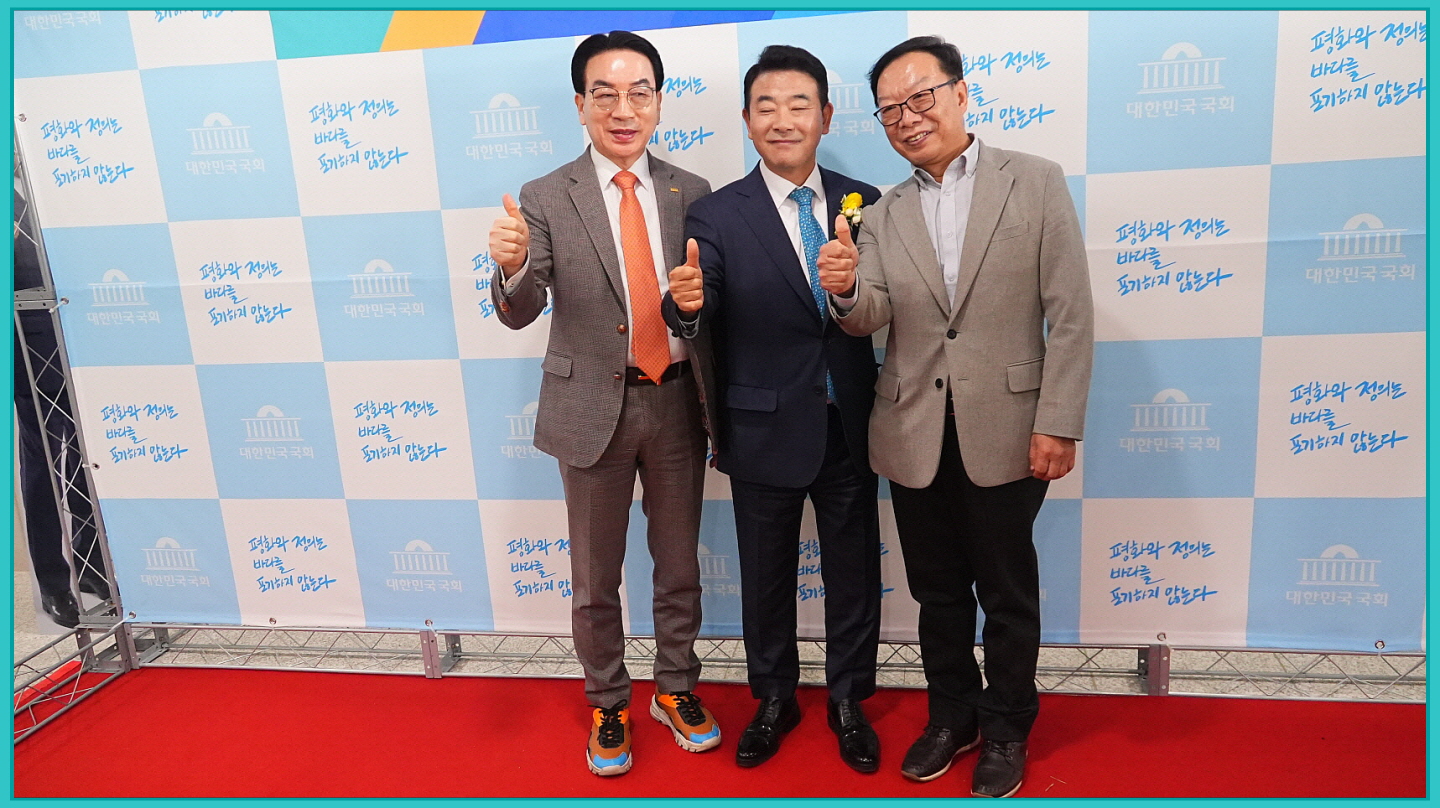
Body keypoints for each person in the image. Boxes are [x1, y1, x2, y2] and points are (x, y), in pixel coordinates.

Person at [819, 35, 1094, 798]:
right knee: (937, 595)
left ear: (961, 93)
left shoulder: (1034, 181)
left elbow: (1071, 313)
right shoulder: (881, 213)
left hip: (1009, 428)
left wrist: (1059, 420)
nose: (907, 118)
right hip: (912, 433)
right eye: (890, 110)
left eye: (921, 98)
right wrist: (844, 289)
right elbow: (870, 315)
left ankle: (1006, 727)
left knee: (1007, 594)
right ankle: (953, 715)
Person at [487, 30, 719, 777]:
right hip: (591, 409)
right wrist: (513, 268)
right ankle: (609, 700)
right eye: (606, 94)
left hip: (677, 405)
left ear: (658, 101)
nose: (624, 110)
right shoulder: (545, 195)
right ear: (581, 104)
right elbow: (523, 308)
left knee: (679, 566)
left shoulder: (693, 192)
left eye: (639, 93)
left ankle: (675, 688)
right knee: (595, 577)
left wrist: (695, 306)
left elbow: (702, 309)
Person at [663, 45, 884, 773]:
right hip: (760, 425)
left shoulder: (866, 201)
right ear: (747, 119)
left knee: (854, 571)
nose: (783, 120)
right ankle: (775, 698)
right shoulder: (716, 213)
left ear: (826, 116)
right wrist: (684, 306)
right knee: (764, 576)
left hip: (851, 423)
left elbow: (885, 304)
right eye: (767, 106)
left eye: (799, 105)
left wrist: (854, 288)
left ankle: (849, 699)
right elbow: (700, 300)